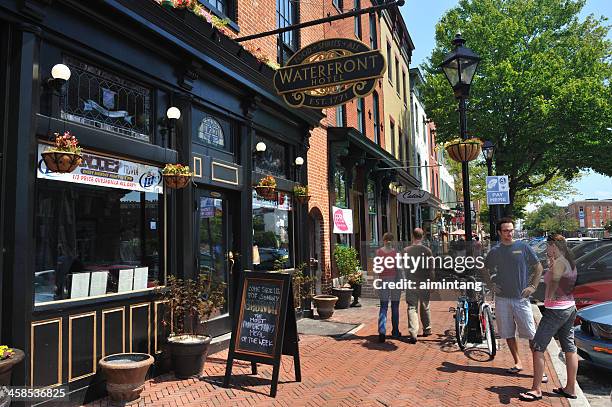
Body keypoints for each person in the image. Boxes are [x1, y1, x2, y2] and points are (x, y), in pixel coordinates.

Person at [518, 234, 578, 402]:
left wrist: (537, 294)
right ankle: (570, 388)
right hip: (569, 307)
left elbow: (554, 286)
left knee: (538, 347)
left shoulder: (560, 263)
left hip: (556, 311)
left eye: (548, 246)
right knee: (569, 347)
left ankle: (536, 389)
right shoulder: (567, 260)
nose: (546, 248)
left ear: (554, 246)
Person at [481, 217, 544, 377]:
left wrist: (533, 286)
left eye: (511, 230)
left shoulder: (523, 247)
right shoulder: (495, 251)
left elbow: (538, 267)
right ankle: (517, 362)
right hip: (502, 299)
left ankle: (540, 370)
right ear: (499, 233)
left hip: (521, 299)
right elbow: (484, 269)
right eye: (505, 231)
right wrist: (491, 285)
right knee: (508, 333)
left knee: (531, 335)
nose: (509, 233)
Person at [403, 228, 434, 344]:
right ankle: (427, 329)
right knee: (425, 305)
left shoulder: (406, 250)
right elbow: (431, 270)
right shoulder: (427, 251)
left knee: (412, 307)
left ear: (413, 236)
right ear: (423, 236)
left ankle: (413, 332)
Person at [375, 232, 402, 343]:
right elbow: (399, 269)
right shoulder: (396, 253)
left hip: (383, 281)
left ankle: (382, 331)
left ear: (384, 240)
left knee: (383, 306)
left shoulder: (378, 252)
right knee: (395, 307)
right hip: (394, 281)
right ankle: (395, 331)